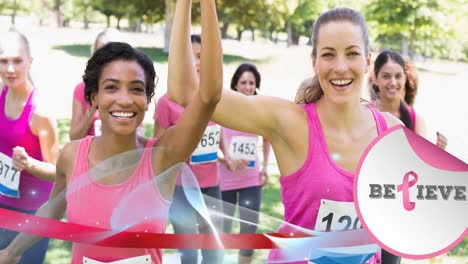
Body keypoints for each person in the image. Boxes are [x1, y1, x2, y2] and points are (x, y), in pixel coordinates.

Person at [168, 7, 403, 264]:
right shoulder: (289, 122)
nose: (340, 66)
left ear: (368, 60)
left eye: (352, 53)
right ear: (313, 61)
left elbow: (392, 229)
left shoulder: (391, 133)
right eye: (328, 54)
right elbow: (186, 92)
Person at [0, 0, 222, 262]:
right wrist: (12, 252)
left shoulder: (162, 158)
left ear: (147, 100)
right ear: (93, 99)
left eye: (137, 89)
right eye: (112, 87)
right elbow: (53, 206)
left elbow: (208, 97)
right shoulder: (72, 156)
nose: (125, 99)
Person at [152, 33, 224, 264]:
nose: (195, 62)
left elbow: (216, 141)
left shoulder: (218, 99)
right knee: (189, 254)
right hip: (180, 188)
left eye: (201, 56)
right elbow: (159, 153)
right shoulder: (166, 102)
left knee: (214, 252)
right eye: (189, 56)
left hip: (212, 186)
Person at [0, 29, 59, 264]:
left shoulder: (40, 111)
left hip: (33, 214)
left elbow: (57, 171)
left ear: (30, 62)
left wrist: (29, 164)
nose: (10, 69)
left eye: (17, 61)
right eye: (4, 61)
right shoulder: (1, 96)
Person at [218, 63, 270, 264]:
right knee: (223, 231)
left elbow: (267, 137)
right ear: (235, 85)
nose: (248, 87)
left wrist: (265, 166)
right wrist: (226, 159)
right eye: (243, 82)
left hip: (251, 180)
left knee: (249, 231)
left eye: (251, 83)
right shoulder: (223, 108)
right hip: (225, 178)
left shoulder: (260, 110)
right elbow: (208, 140)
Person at [370, 50, 447, 149]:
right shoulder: (365, 114)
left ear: (405, 78)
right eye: (386, 76)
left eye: (398, 76)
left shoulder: (416, 120)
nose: (393, 82)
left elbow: (421, 161)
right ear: (376, 78)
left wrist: (438, 151)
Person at [69, 28, 132, 140]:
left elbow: (138, 135)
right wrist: (93, 104)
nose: (105, 59)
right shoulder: (82, 89)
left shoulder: (131, 89)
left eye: (112, 54)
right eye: (100, 53)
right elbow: (74, 138)